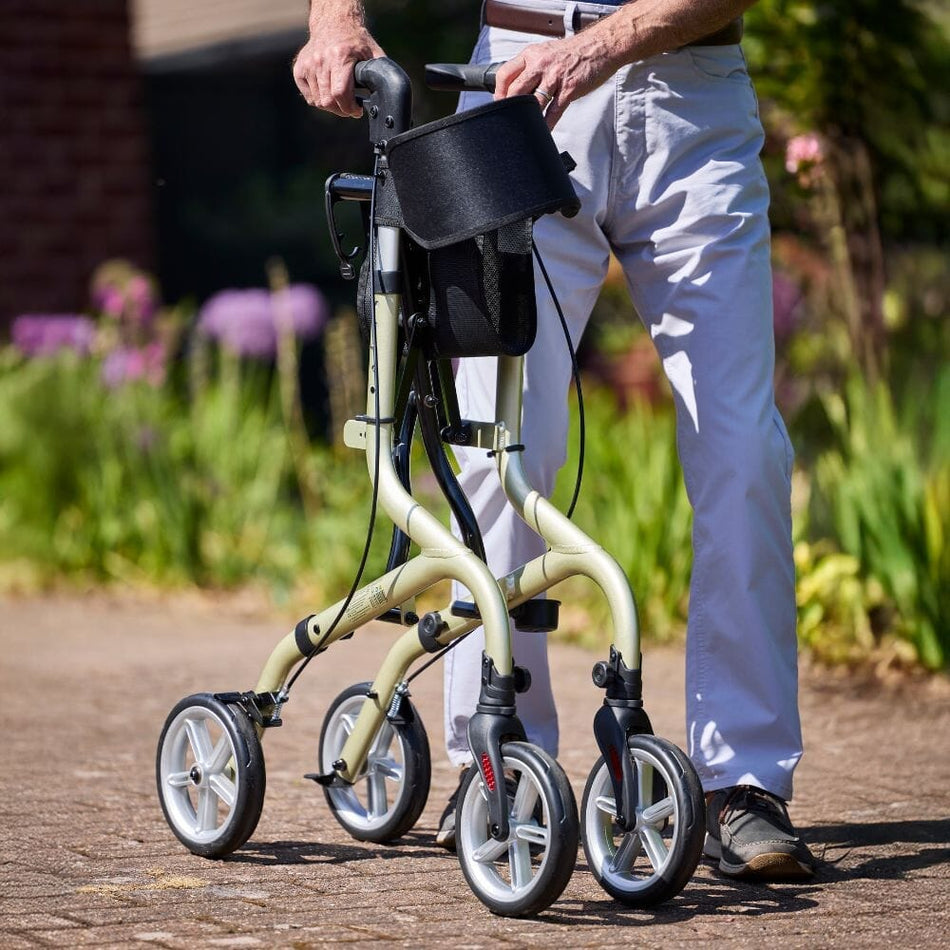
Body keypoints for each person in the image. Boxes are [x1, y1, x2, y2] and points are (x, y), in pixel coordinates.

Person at [294, 0, 815, 881]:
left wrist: (601, 45)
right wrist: (332, 18)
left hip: (688, 101)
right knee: (498, 444)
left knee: (743, 450)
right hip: (516, 89)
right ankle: (496, 758)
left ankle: (743, 782)